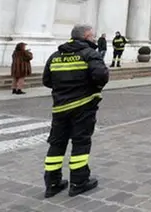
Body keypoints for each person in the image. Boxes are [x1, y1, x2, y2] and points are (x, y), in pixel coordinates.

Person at [41, 24, 109, 198]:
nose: (94, 38)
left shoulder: (55, 56)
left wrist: (63, 90)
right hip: (83, 106)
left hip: (60, 107)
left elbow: (47, 80)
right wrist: (93, 88)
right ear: (86, 36)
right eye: (92, 35)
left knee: (56, 144)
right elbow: (101, 76)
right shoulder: (89, 54)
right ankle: (79, 182)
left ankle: (52, 183)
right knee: (80, 142)